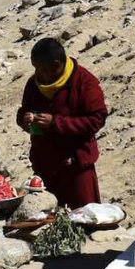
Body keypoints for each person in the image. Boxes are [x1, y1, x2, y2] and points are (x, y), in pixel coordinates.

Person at [16, 37, 108, 208]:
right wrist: (25, 119)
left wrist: (56, 123)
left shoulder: (84, 82)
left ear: (56, 65)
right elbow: (23, 110)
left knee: (82, 218)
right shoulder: (34, 84)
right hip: (45, 164)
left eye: (40, 69)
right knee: (46, 218)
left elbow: (97, 119)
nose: (37, 73)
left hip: (75, 166)